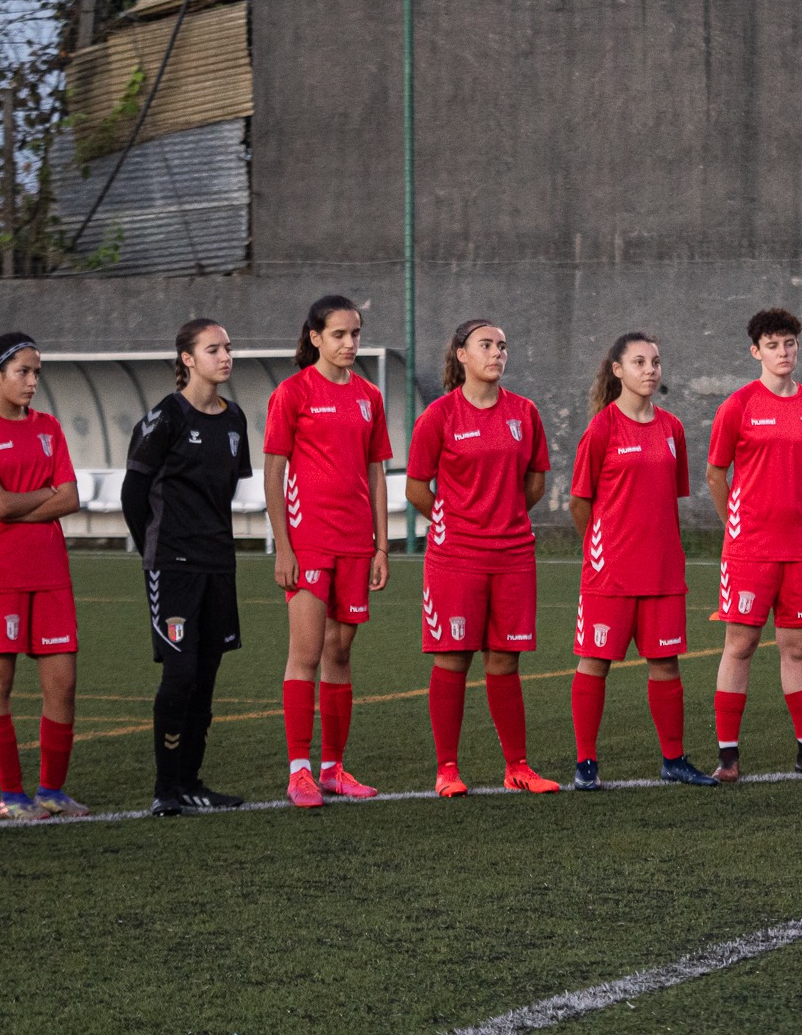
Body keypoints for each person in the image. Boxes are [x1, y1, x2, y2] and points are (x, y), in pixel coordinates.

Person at [406, 319, 558, 798]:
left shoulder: (525, 412)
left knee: (505, 661)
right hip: (456, 557)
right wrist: (455, 518)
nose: (497, 353)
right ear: (462, 355)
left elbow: (536, 481)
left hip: (512, 554)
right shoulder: (439, 416)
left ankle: (517, 767)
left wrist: (504, 515)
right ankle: (447, 769)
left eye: (502, 346)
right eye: (486, 345)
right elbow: (416, 488)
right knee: (452, 659)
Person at [0, 333, 88, 821]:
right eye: (23, 372)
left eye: (36, 373)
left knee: (63, 682)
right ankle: (12, 795)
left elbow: (69, 498)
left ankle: (51, 790)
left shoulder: (48, 427)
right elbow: (0, 503)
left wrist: (15, 508)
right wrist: (39, 497)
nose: (31, 382)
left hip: (49, 567)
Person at [568, 333, 718, 790]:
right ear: (617, 370)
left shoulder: (672, 428)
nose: (650, 369)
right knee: (595, 661)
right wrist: (599, 545)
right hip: (610, 571)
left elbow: (667, 498)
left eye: (655, 361)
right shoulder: (602, 428)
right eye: (639, 362)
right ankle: (586, 764)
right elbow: (580, 501)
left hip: (663, 569)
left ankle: (674, 759)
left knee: (666, 663)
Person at [707, 308, 802, 781]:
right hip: (749, 549)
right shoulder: (738, 405)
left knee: (797, 647)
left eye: (789, 344)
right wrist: (737, 524)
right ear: (756, 352)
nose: (782, 353)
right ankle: (728, 756)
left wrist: (793, 509)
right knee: (740, 645)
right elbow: (716, 472)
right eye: (772, 345)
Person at [122, 319, 251, 817]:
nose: (225, 356)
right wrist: (153, 550)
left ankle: (192, 781)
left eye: (228, 347)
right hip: (172, 567)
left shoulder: (234, 418)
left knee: (206, 678)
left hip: (218, 563)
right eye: (213, 348)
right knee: (178, 676)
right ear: (188, 360)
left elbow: (225, 490)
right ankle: (165, 788)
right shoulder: (164, 419)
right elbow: (134, 494)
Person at [265, 295, 391, 808]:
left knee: (340, 651)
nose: (349, 344)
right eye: (338, 334)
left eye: (355, 334)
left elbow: (377, 472)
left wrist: (382, 544)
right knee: (307, 653)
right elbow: (275, 470)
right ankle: (299, 771)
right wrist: (283, 546)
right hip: (309, 542)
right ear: (315, 337)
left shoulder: (369, 396)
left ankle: (334, 769)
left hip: (356, 543)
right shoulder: (292, 393)